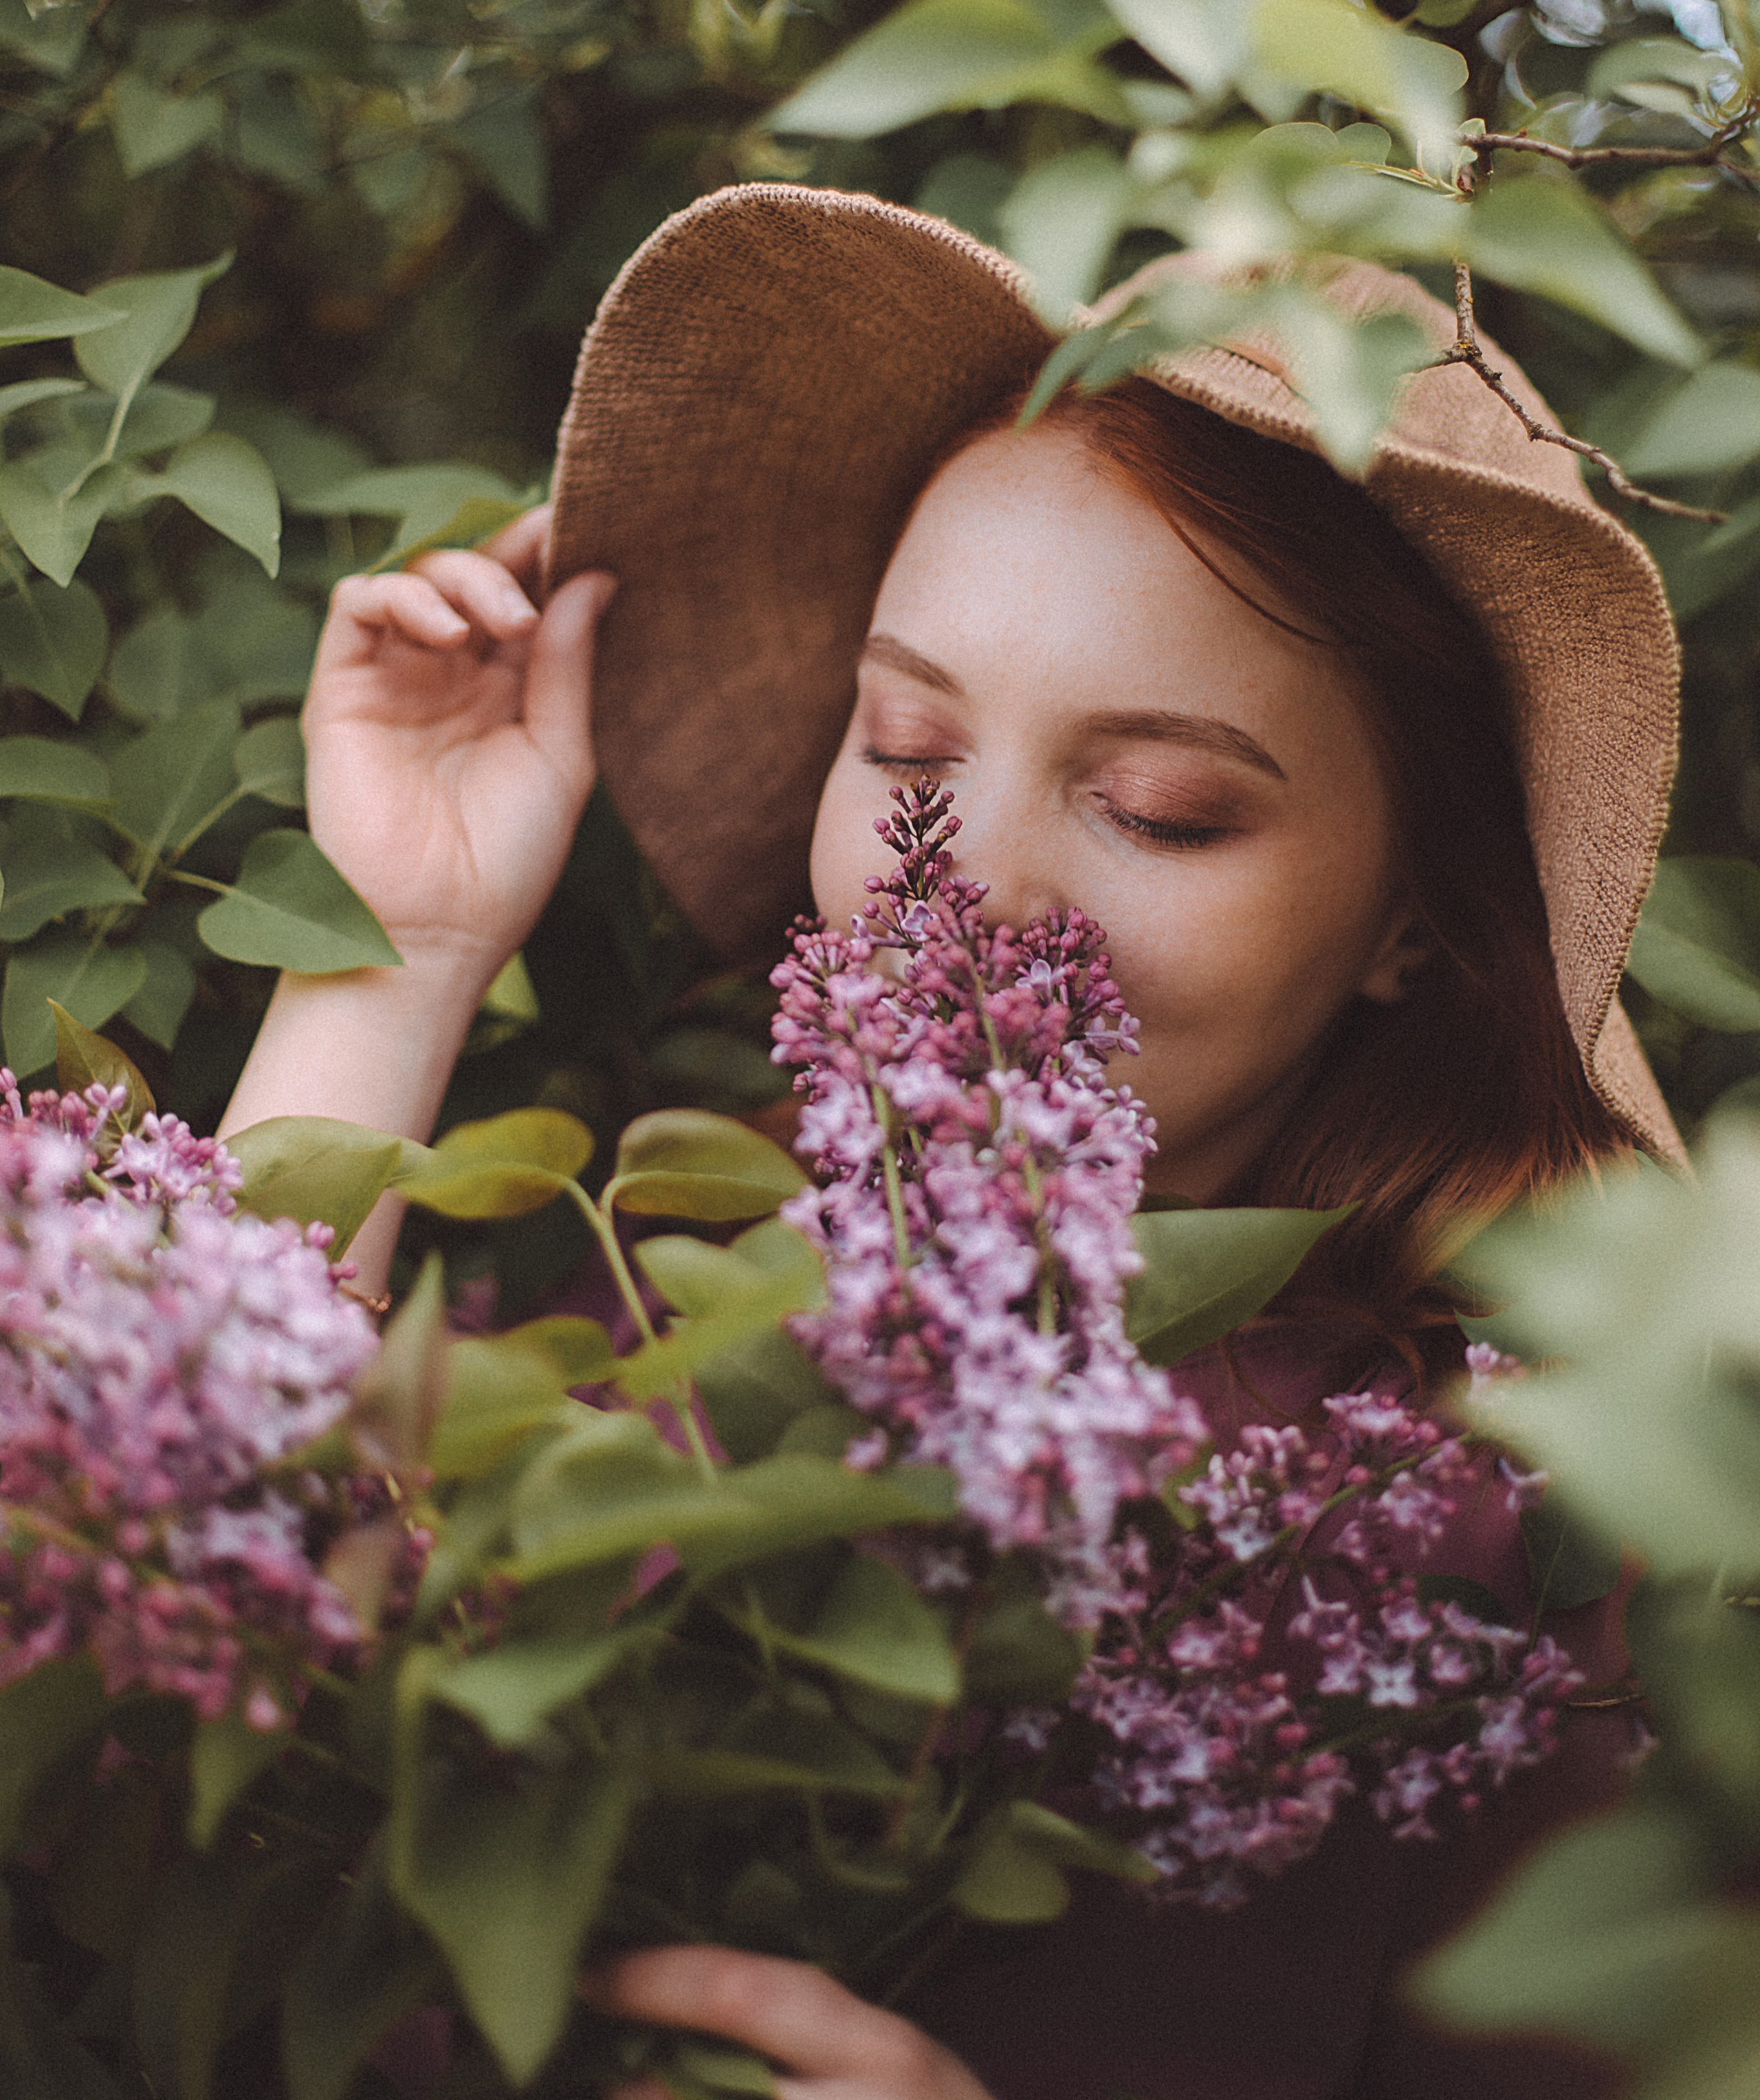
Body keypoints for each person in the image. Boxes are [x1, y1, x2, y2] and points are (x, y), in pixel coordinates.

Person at [222, 184, 1682, 2100]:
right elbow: (149, 1620)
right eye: (906, 753)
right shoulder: (675, 1285)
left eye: (1159, 808)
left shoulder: (1482, 1568)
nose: (962, 887)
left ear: (1415, 919)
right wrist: (395, 957)